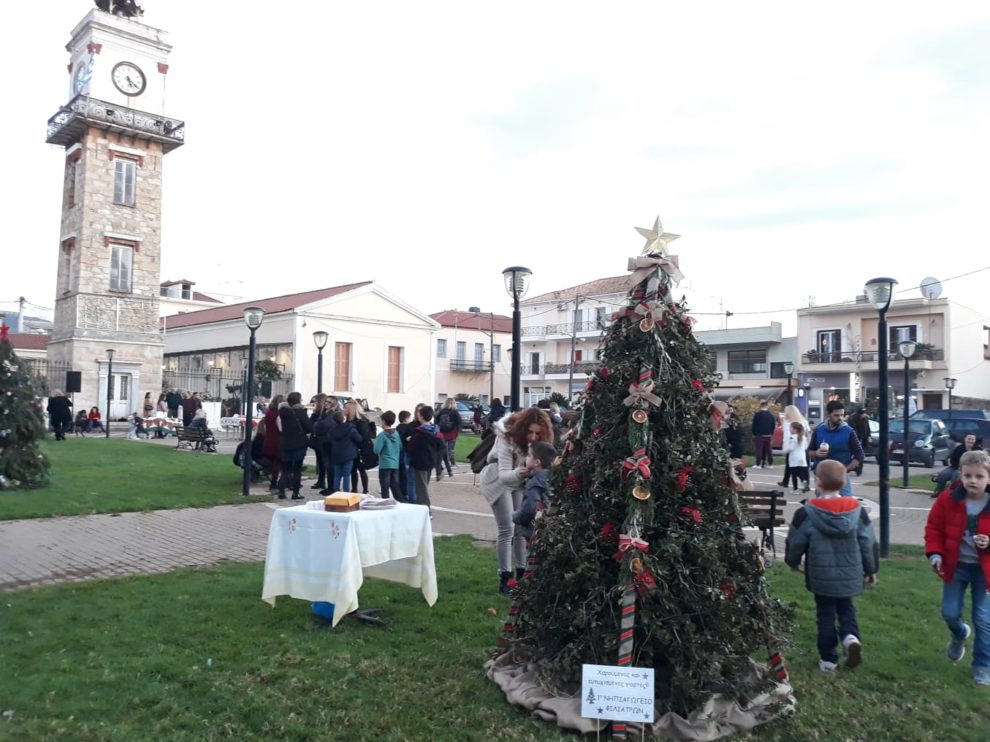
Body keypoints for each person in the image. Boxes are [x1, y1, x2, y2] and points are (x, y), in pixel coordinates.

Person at [785, 459, 878, 673]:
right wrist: (871, 569)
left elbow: (795, 541)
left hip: (821, 574)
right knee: (846, 609)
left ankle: (828, 660)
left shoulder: (806, 513)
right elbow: (868, 541)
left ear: (817, 482)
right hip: (851, 572)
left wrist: (792, 561)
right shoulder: (857, 511)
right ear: (844, 481)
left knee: (825, 614)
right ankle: (850, 637)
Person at [924, 450, 990, 686]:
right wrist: (935, 554)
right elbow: (934, 529)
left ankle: (983, 664)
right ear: (960, 476)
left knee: (983, 618)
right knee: (950, 613)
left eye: (979, 476)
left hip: (986, 572)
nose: (973, 481)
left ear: (989, 478)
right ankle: (960, 633)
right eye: (968, 475)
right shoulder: (948, 499)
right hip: (956, 566)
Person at [480, 407, 555, 594]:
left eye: (538, 433)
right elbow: (505, 476)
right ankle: (505, 578)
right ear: (523, 429)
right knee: (507, 528)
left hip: (521, 482)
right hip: (497, 480)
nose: (533, 437)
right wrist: (521, 472)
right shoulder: (507, 437)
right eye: (530, 432)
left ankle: (522, 574)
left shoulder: (540, 442)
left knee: (521, 527)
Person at [808, 400, 865, 497]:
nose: (840, 418)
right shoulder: (819, 430)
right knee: (822, 507)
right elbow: (808, 452)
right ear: (828, 414)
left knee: (844, 507)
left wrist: (845, 469)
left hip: (841, 478)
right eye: (836, 415)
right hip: (822, 477)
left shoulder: (849, 432)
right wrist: (816, 453)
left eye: (842, 415)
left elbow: (860, 455)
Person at [512, 441, 556, 543]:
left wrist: (515, 516)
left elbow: (529, 509)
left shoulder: (534, 484)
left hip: (534, 532)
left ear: (537, 462)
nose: (526, 458)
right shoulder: (553, 478)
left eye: (528, 455)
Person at [407, 405, 444, 513]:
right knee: (424, 485)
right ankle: (423, 509)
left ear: (421, 417)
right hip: (430, 462)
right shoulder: (436, 431)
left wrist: (410, 440)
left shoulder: (419, 432)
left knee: (421, 488)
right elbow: (441, 447)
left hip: (420, 462)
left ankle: (426, 510)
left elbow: (411, 448)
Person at [277, 392, 313, 500]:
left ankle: (281, 492)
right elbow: (309, 427)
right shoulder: (300, 412)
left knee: (285, 469)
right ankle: (295, 493)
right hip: (299, 443)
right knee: (297, 469)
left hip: (286, 442)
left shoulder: (283, 412)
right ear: (298, 400)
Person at [328, 410, 363, 493]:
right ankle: (346, 492)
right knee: (346, 475)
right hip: (348, 454)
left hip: (336, 454)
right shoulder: (350, 428)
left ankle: (336, 491)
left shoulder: (332, 429)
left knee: (337, 475)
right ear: (344, 418)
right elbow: (359, 439)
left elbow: (329, 439)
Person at [778, 405, 810, 490]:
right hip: (802, 447)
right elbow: (808, 433)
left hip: (793, 448)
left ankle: (793, 484)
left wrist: (785, 449)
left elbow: (787, 436)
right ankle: (804, 482)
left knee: (792, 467)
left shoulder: (788, 423)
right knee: (803, 467)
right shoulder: (803, 421)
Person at [373, 410, 403, 500]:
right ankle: (401, 503)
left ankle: (386, 504)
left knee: (385, 488)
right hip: (395, 464)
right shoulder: (396, 433)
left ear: (384, 421)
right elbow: (401, 447)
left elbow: (376, 450)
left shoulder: (382, 435)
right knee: (395, 487)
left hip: (385, 464)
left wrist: (375, 443)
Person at [347, 401, 374, 495]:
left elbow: (364, 437)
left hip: (360, 449)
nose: (345, 410)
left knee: (361, 470)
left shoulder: (361, 422)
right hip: (352, 448)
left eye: (347, 408)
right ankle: (354, 489)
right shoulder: (348, 421)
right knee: (353, 470)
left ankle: (365, 490)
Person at [262, 395, 284, 493]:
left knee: (274, 462)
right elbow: (281, 428)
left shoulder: (268, 412)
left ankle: (274, 481)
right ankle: (275, 483)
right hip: (277, 440)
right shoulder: (278, 414)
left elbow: (265, 427)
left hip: (268, 438)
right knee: (278, 462)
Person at [310, 393, 332, 491]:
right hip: (318, 439)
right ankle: (321, 480)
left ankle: (323, 481)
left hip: (322, 439)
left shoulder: (322, 413)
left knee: (323, 461)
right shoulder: (320, 412)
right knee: (321, 461)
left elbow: (315, 424)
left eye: (315, 401)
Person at [435, 398, 461, 479]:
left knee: (443, 449)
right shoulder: (455, 412)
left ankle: (443, 463)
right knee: (451, 448)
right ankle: (452, 463)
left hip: (442, 433)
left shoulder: (441, 411)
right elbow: (459, 422)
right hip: (452, 433)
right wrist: (458, 430)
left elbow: (436, 420)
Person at [783, 421, 810, 494]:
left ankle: (795, 489)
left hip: (794, 458)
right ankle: (804, 481)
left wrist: (785, 451)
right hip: (802, 458)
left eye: (790, 428)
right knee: (801, 472)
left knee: (794, 474)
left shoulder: (792, 437)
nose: (790, 430)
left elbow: (790, 448)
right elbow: (805, 447)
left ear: (794, 429)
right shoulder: (803, 437)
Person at [396, 410, 416, 503]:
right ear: (406, 419)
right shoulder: (406, 428)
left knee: (399, 475)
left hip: (398, 455)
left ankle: (400, 492)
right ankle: (405, 494)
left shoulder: (397, 428)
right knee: (405, 476)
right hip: (404, 453)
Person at [751, 401, 776, 469]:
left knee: (759, 449)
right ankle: (770, 464)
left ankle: (758, 464)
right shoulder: (771, 415)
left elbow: (754, 425)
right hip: (768, 435)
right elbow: (773, 425)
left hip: (759, 435)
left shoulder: (757, 415)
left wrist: (754, 433)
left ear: (760, 406)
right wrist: (771, 433)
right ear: (767, 406)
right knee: (769, 450)